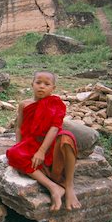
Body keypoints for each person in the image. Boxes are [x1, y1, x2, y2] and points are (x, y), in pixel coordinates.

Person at [6, 71, 81, 211]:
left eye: (47, 84)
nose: (42, 87)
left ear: (53, 88)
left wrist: (41, 151)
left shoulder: (56, 103)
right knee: (13, 153)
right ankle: (54, 188)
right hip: (31, 143)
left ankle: (69, 187)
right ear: (32, 84)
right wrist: (18, 145)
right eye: (38, 83)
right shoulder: (24, 104)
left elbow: (54, 128)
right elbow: (19, 128)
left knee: (67, 137)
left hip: (51, 144)